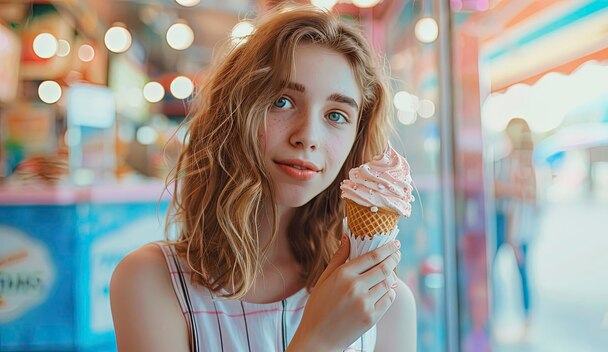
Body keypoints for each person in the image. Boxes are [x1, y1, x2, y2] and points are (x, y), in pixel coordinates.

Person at [110, 4, 416, 352]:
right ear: (233, 114)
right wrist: (319, 341)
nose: (308, 136)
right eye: (282, 102)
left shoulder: (385, 305)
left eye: (336, 115)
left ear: (355, 139)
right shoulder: (152, 282)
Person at [493, 117, 538, 339]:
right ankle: (495, 316)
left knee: (521, 272)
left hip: (518, 227)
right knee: (495, 270)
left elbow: (523, 203)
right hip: (509, 224)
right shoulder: (506, 162)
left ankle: (525, 321)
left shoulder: (525, 167)